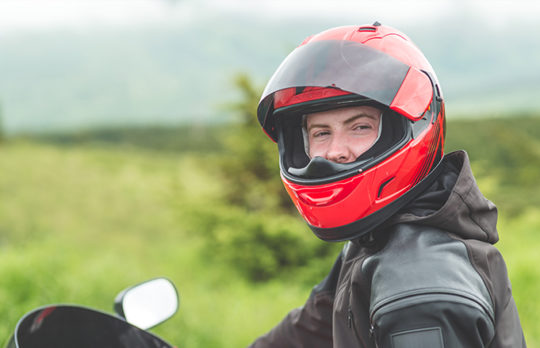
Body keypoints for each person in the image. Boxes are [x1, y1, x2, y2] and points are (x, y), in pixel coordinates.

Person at [249, 23, 526, 347]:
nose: (335, 150)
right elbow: (310, 329)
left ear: (406, 128)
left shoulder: (420, 292)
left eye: (360, 127)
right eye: (321, 133)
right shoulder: (380, 233)